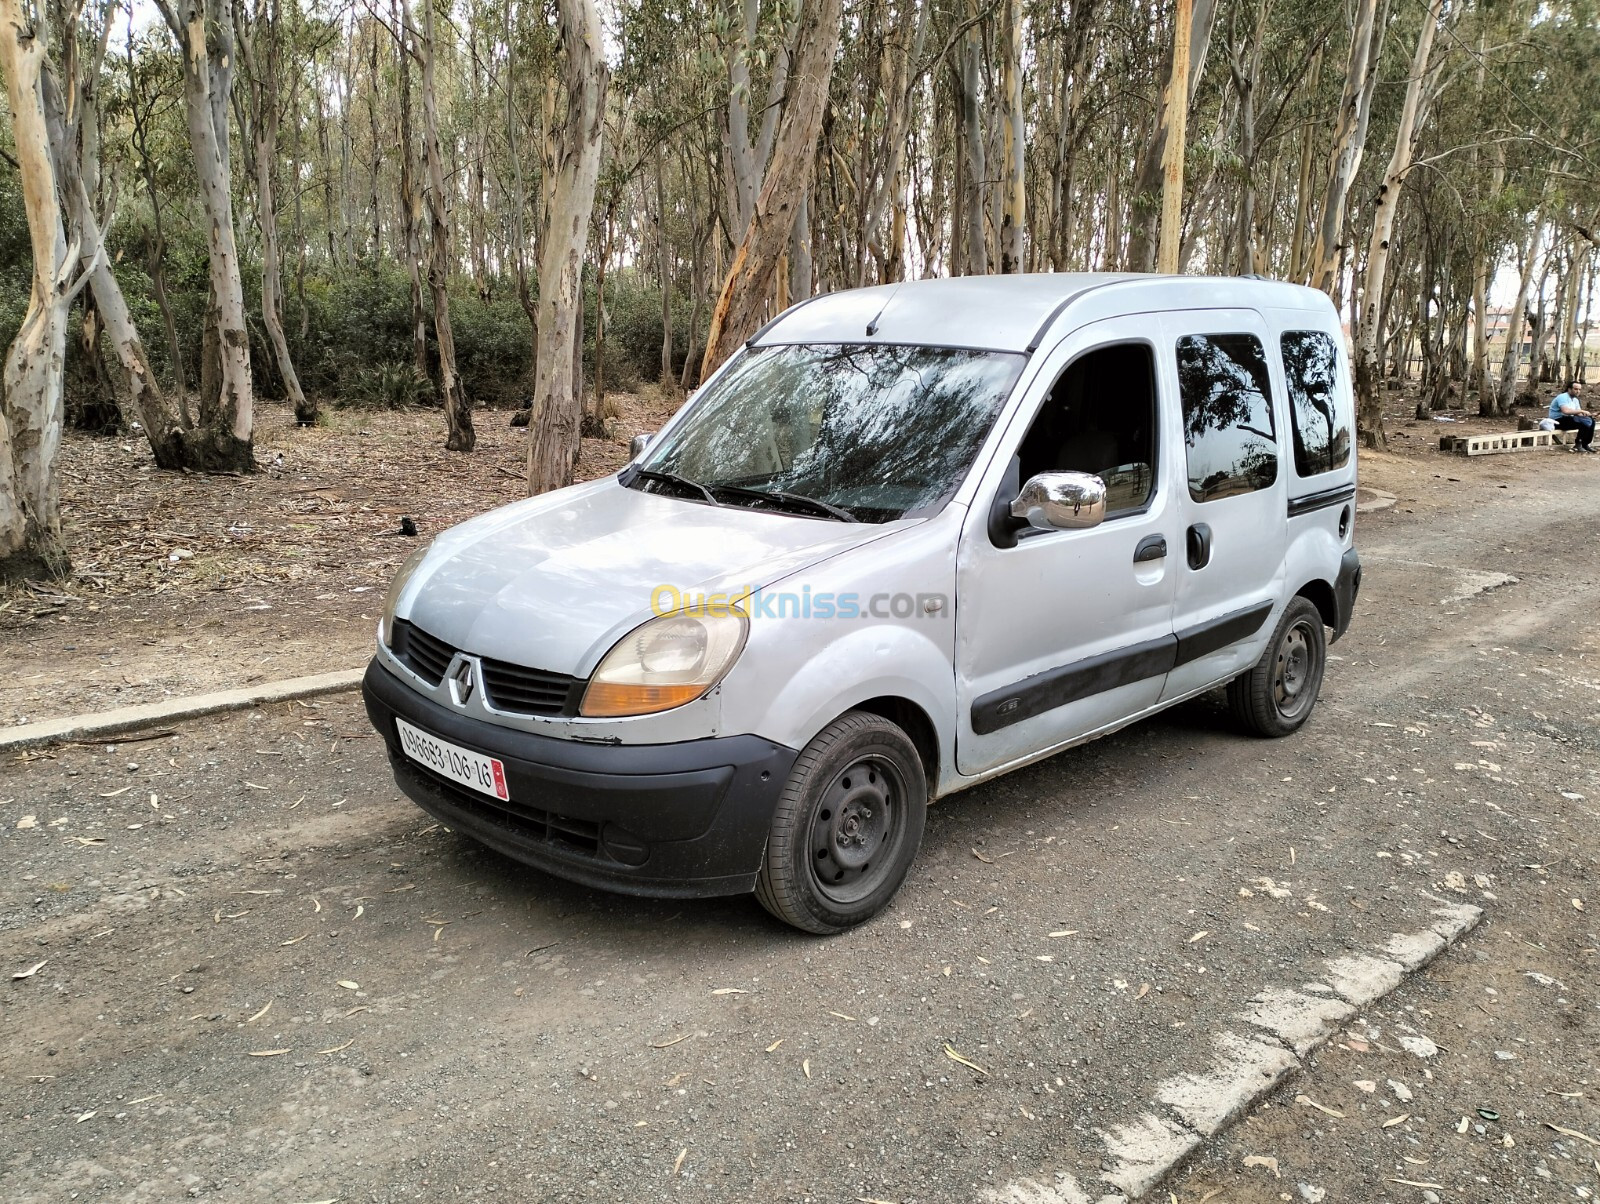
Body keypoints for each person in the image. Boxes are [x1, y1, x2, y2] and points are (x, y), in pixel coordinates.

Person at [1549, 381, 1595, 453]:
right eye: (1576, 389)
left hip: (1569, 419)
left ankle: (1585, 444)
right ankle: (1578, 444)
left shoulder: (1575, 400)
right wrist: (1582, 411)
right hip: (1558, 421)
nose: (1578, 391)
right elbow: (1566, 411)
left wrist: (1590, 415)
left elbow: (1578, 413)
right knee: (1583, 423)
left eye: (1579, 389)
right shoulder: (1562, 397)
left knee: (1590, 421)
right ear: (1569, 389)